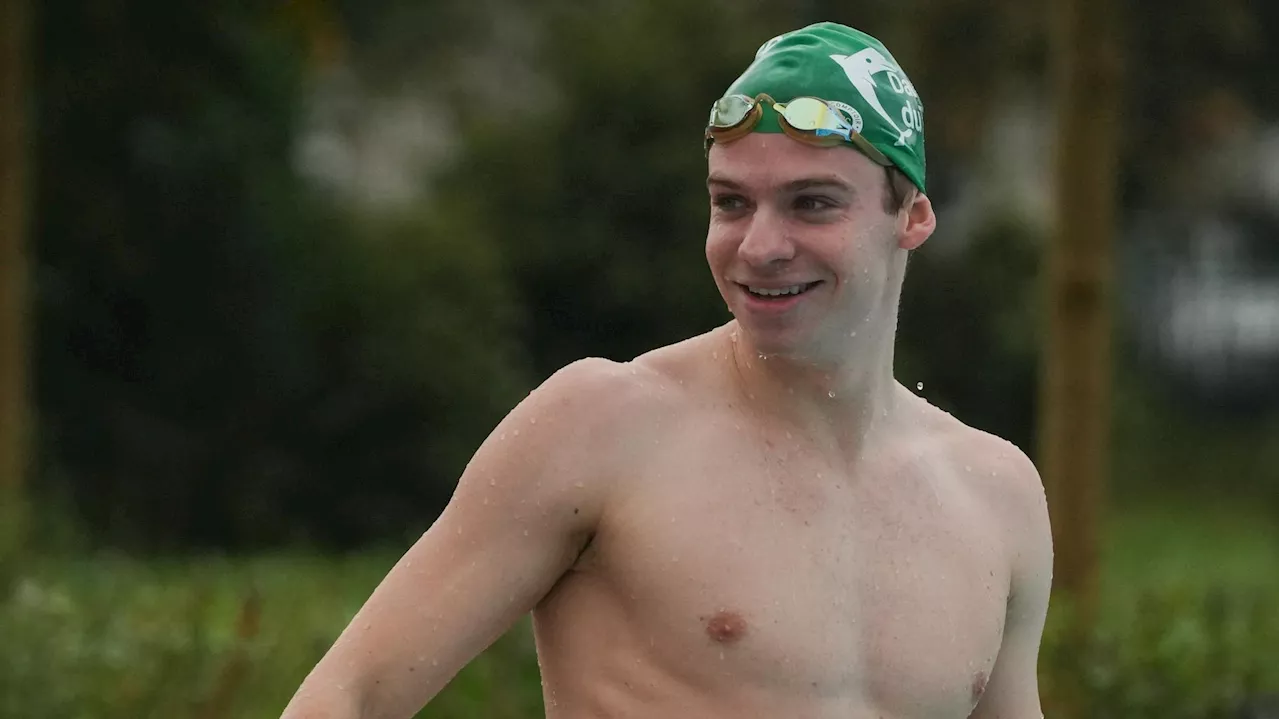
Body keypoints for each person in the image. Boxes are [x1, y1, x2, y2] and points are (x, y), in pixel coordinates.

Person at [281, 21, 1054, 719]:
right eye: (731, 203)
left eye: (811, 203)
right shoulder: (604, 427)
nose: (759, 246)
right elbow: (349, 695)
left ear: (912, 215)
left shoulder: (997, 495)